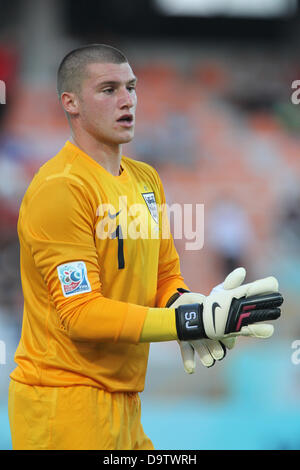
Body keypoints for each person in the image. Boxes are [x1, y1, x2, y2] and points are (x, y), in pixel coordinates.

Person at [8, 44, 282, 450]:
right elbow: (81, 314)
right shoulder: (61, 187)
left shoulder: (145, 179)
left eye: (131, 87)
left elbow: (165, 278)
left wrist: (196, 308)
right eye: (108, 89)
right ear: (71, 103)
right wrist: (186, 324)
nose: (127, 100)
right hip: (62, 404)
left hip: (125, 403)